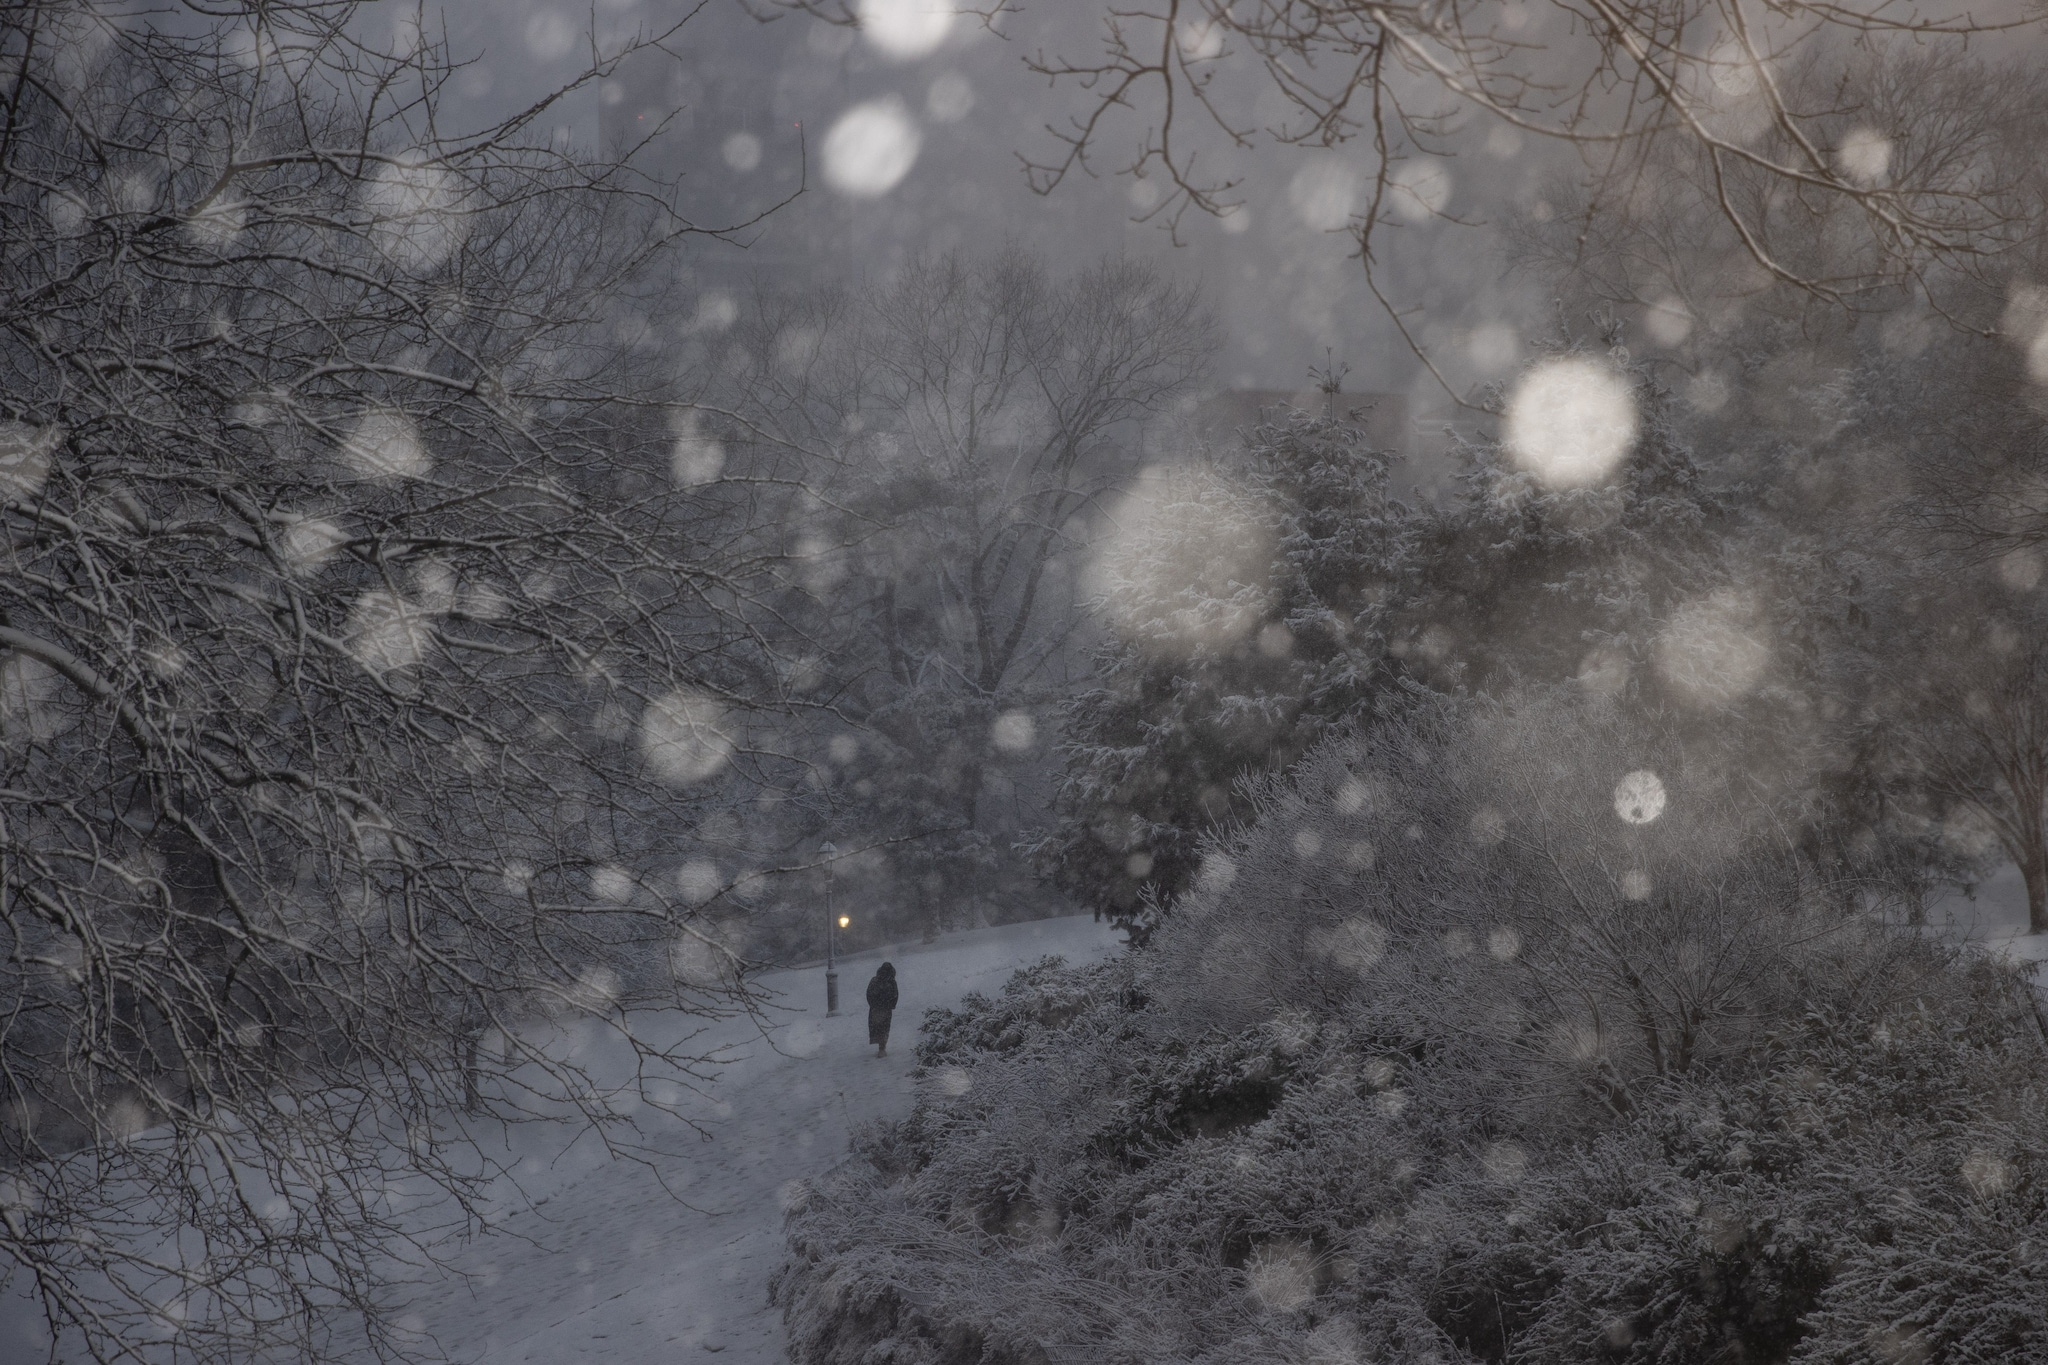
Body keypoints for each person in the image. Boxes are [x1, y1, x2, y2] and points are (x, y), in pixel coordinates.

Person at [865, 961, 899, 1057]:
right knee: (884, 1027)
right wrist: (891, 1005)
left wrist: (873, 1004)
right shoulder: (892, 982)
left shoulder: (874, 980)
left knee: (877, 1027)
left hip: (875, 1008)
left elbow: (868, 994)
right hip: (886, 1008)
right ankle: (882, 1047)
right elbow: (895, 995)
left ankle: (880, 1047)